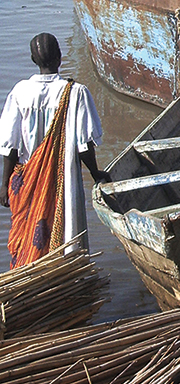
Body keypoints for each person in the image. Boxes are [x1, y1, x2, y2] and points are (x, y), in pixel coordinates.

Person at [0, 33, 110, 267]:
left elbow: (10, 146)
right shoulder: (75, 92)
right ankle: (66, 279)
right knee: (66, 237)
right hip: (63, 182)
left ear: (32, 59)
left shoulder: (19, 92)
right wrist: (95, 172)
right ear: (60, 58)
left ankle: (29, 278)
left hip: (28, 182)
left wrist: (4, 184)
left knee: (27, 237)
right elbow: (84, 146)